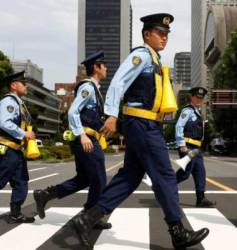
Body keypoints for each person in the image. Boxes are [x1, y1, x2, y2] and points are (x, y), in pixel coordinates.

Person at [71, 13, 209, 250]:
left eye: (166, 34)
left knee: (130, 177)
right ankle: (177, 231)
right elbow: (117, 83)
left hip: (144, 125)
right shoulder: (142, 55)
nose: (164, 38)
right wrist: (112, 114)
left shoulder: (154, 60)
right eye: (160, 33)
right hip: (143, 125)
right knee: (165, 175)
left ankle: (87, 218)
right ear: (147, 34)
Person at [33, 51, 111, 230]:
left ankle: (45, 195)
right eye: (103, 65)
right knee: (99, 179)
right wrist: (82, 135)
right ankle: (90, 217)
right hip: (86, 140)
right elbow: (72, 111)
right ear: (96, 68)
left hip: (88, 138)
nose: (106, 68)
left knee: (84, 179)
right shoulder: (88, 87)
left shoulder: (94, 88)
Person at [0, 71, 35, 223]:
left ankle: (15, 213)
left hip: (16, 150)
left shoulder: (19, 103)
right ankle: (15, 213)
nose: (26, 85)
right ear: (13, 85)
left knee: (21, 181)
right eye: (23, 83)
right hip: (6, 148)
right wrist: (24, 134)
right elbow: (5, 123)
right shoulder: (9, 101)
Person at [175, 87, 216, 207]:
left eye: (201, 98)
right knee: (185, 173)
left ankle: (201, 198)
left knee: (200, 172)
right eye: (197, 97)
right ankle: (165, 188)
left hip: (196, 148)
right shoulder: (187, 110)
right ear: (191, 97)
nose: (199, 100)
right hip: (188, 147)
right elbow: (179, 126)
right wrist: (181, 144)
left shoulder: (197, 112)